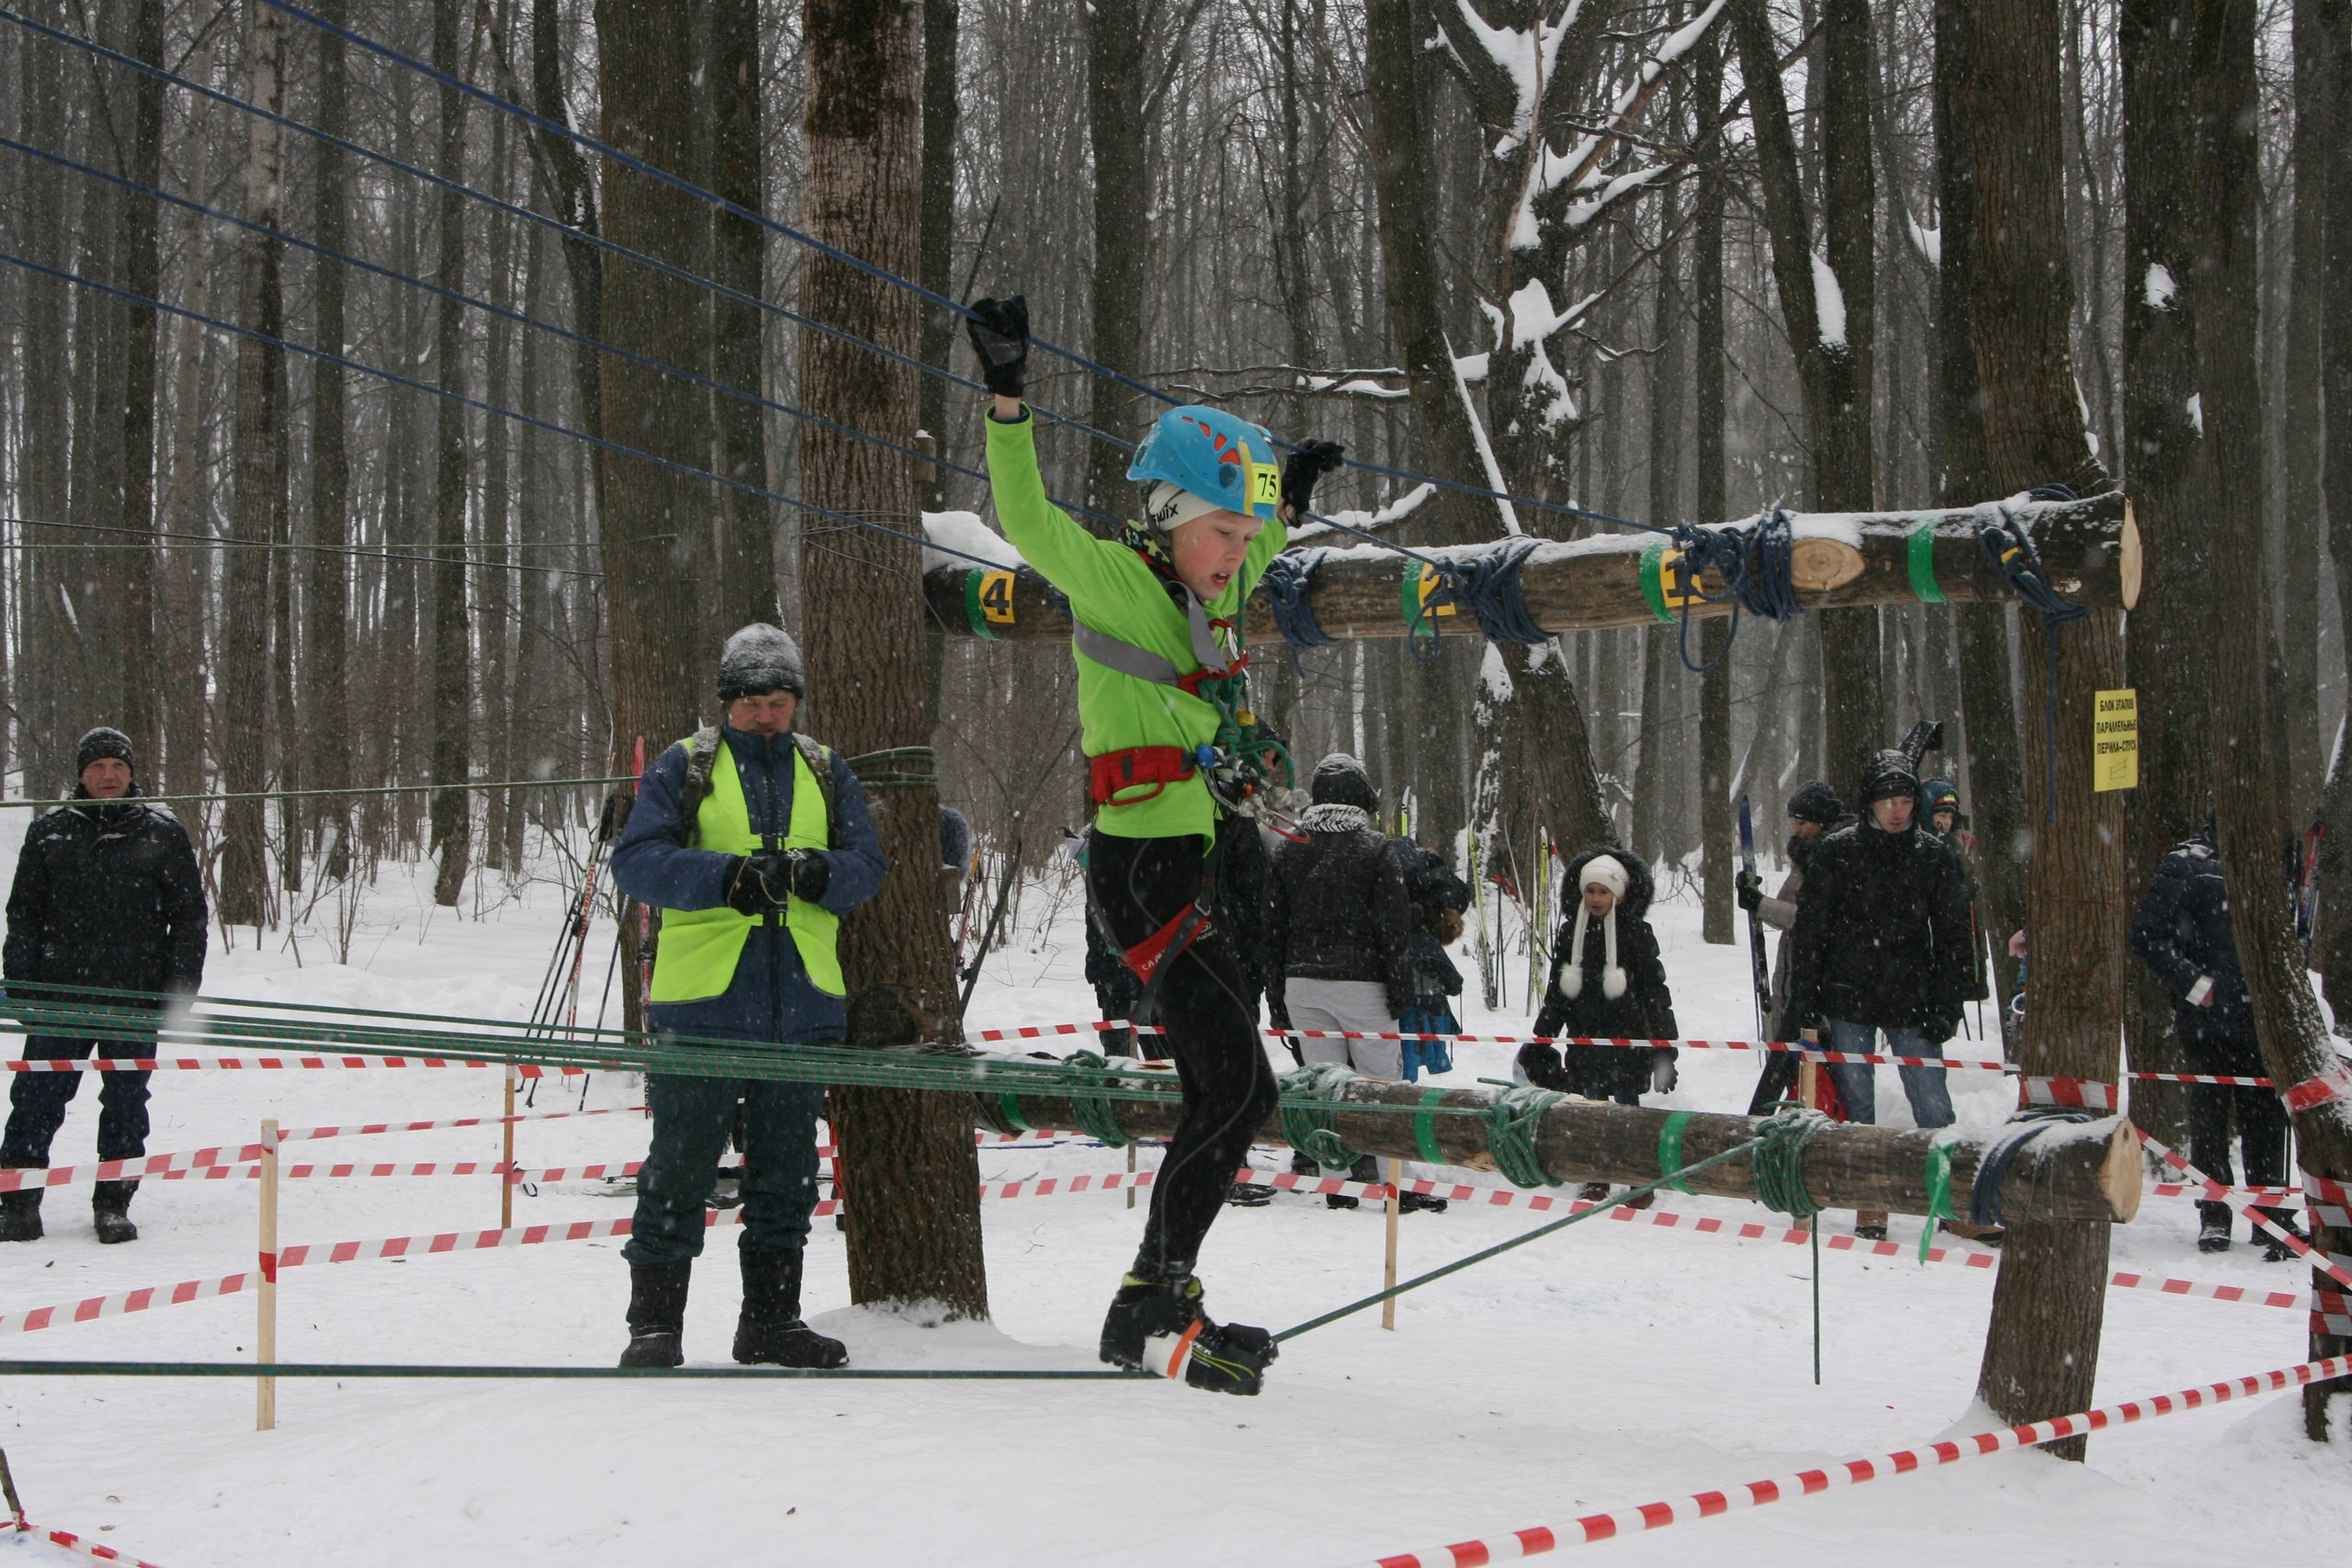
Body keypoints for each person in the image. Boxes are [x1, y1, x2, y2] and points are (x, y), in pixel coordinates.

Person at [970, 294, 1338, 1394]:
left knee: (1235, 1090)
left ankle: (1154, 1295)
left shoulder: (1204, 589)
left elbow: (1261, 536)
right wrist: (1005, 399)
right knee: (1231, 1087)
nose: (1236, 554)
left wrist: (1289, 495)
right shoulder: (1121, 583)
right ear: (1169, 516)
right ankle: (1151, 1295)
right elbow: (1029, 521)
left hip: (1207, 854)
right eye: (1220, 533)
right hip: (1148, 867)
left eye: (1240, 538)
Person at [607, 624, 887, 1368]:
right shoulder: (684, 765)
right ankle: (655, 1328)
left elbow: (868, 863)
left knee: (787, 1175)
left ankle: (770, 1321)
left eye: (779, 701)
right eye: (752, 702)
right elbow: (636, 861)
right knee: (679, 1167)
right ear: (727, 704)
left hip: (804, 1004)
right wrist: (725, 877)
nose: (766, 715)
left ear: (796, 702)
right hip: (700, 1002)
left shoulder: (827, 769)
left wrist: (822, 872)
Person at [0, 728, 207, 1246]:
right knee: (36, 1099)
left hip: (134, 997)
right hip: (59, 995)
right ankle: (18, 1204)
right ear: (80, 775)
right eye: (96, 768)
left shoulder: (162, 831)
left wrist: (177, 990)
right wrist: (23, 987)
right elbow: (23, 914)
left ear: (132, 772)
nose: (107, 776)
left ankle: (113, 1204)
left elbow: (188, 918)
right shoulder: (49, 830)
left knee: (125, 1102)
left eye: (117, 765)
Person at [1784, 749, 1976, 1242]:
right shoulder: (1837, 851)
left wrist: (1947, 1003)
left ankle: (1952, 1200)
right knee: (1858, 1108)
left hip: (1913, 998)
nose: (1897, 808)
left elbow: (1954, 935)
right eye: (1887, 798)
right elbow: (1812, 933)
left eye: (1906, 798)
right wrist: (1804, 999)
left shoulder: (1933, 854)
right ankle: (1870, 1200)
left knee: (1933, 1106)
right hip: (1848, 996)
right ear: (1870, 802)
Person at [2130, 818, 2299, 1257]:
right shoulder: (2185, 863)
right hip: (2207, 1022)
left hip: (2262, 1018)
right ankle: (2215, 1214)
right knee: (2210, 1118)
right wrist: (2198, 986)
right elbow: (2147, 935)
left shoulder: (2264, 861)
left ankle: (2271, 1218)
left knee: (2267, 1118)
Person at [1262, 754, 1416, 1210]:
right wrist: (1400, 987)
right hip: (1362, 983)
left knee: (1323, 1086)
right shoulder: (1376, 849)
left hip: (1302, 983)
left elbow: (1273, 931)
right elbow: (1394, 927)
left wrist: (1277, 995)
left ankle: (1335, 1181)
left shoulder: (1290, 849)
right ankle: (1394, 1181)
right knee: (1381, 1086)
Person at [1516, 847, 1678, 1206]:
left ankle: (1637, 1176)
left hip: (1628, 1041)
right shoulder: (1571, 933)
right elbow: (1558, 992)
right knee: (1591, 1109)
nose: (1596, 898)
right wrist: (1542, 1039)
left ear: (1618, 894)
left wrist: (1665, 1050)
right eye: (1590, 890)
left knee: (1627, 1111)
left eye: (1604, 891)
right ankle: (1597, 1172)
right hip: (1585, 1039)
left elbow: (1655, 993)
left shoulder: (1636, 933)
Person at [1738, 781, 1843, 1114]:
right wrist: (1755, 899)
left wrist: (1761, 905)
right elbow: (1783, 913)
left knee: (1816, 1073)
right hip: (1793, 980)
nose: (1796, 829)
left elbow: (1811, 919)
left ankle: (1766, 1121)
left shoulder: (1835, 858)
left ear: (1822, 822)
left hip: (1820, 986)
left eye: (1803, 822)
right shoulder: (1804, 856)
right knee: (1788, 1069)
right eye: (1794, 821)